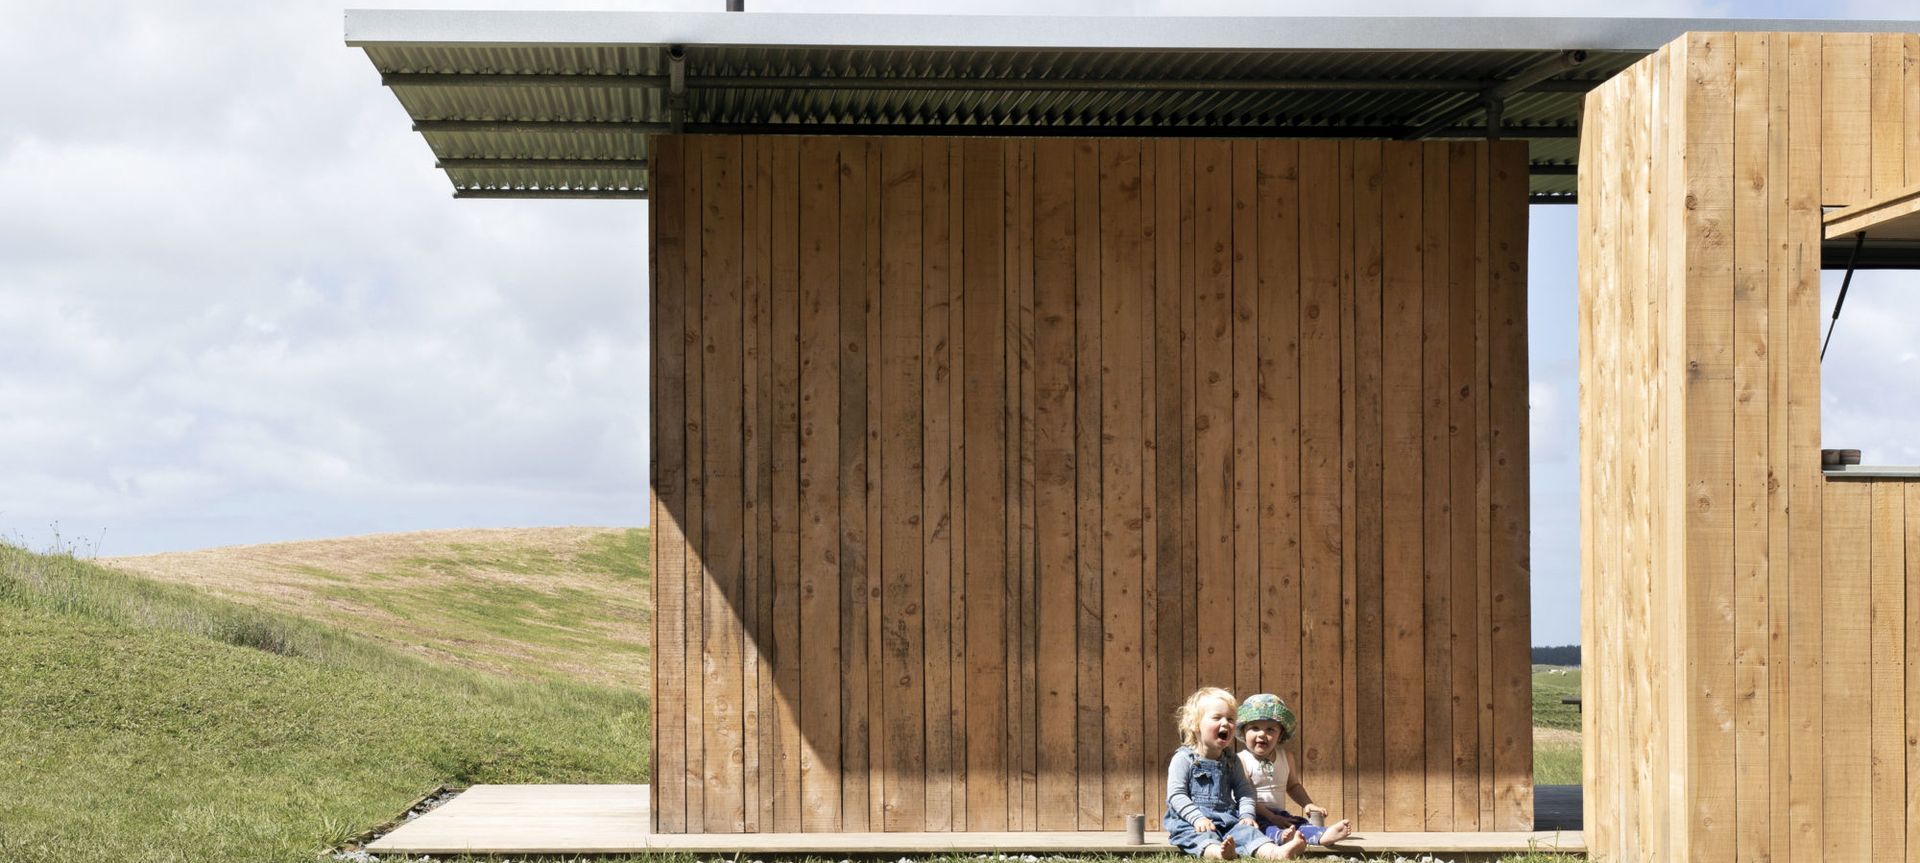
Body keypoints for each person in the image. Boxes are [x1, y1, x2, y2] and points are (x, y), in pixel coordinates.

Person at [1164, 687, 1288, 860]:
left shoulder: (1231, 760)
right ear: (1195, 724)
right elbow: (1176, 795)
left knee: (1249, 833)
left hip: (1227, 820)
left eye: (1230, 719)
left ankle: (1276, 852)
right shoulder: (1184, 758)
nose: (1226, 723)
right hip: (1191, 823)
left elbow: (1244, 790)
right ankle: (1219, 853)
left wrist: (1246, 815)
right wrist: (1197, 819)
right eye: (1216, 718)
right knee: (1203, 838)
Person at [1233, 693, 1354, 852]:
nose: (1262, 734)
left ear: (1280, 734)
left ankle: (1323, 836)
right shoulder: (1241, 760)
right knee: (1260, 828)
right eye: (1254, 728)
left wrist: (1308, 804)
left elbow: (1293, 786)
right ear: (1243, 732)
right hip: (1250, 814)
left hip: (1278, 813)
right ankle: (1281, 838)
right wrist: (1271, 817)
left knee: (1298, 823)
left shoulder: (1286, 757)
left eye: (1270, 729)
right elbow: (1246, 797)